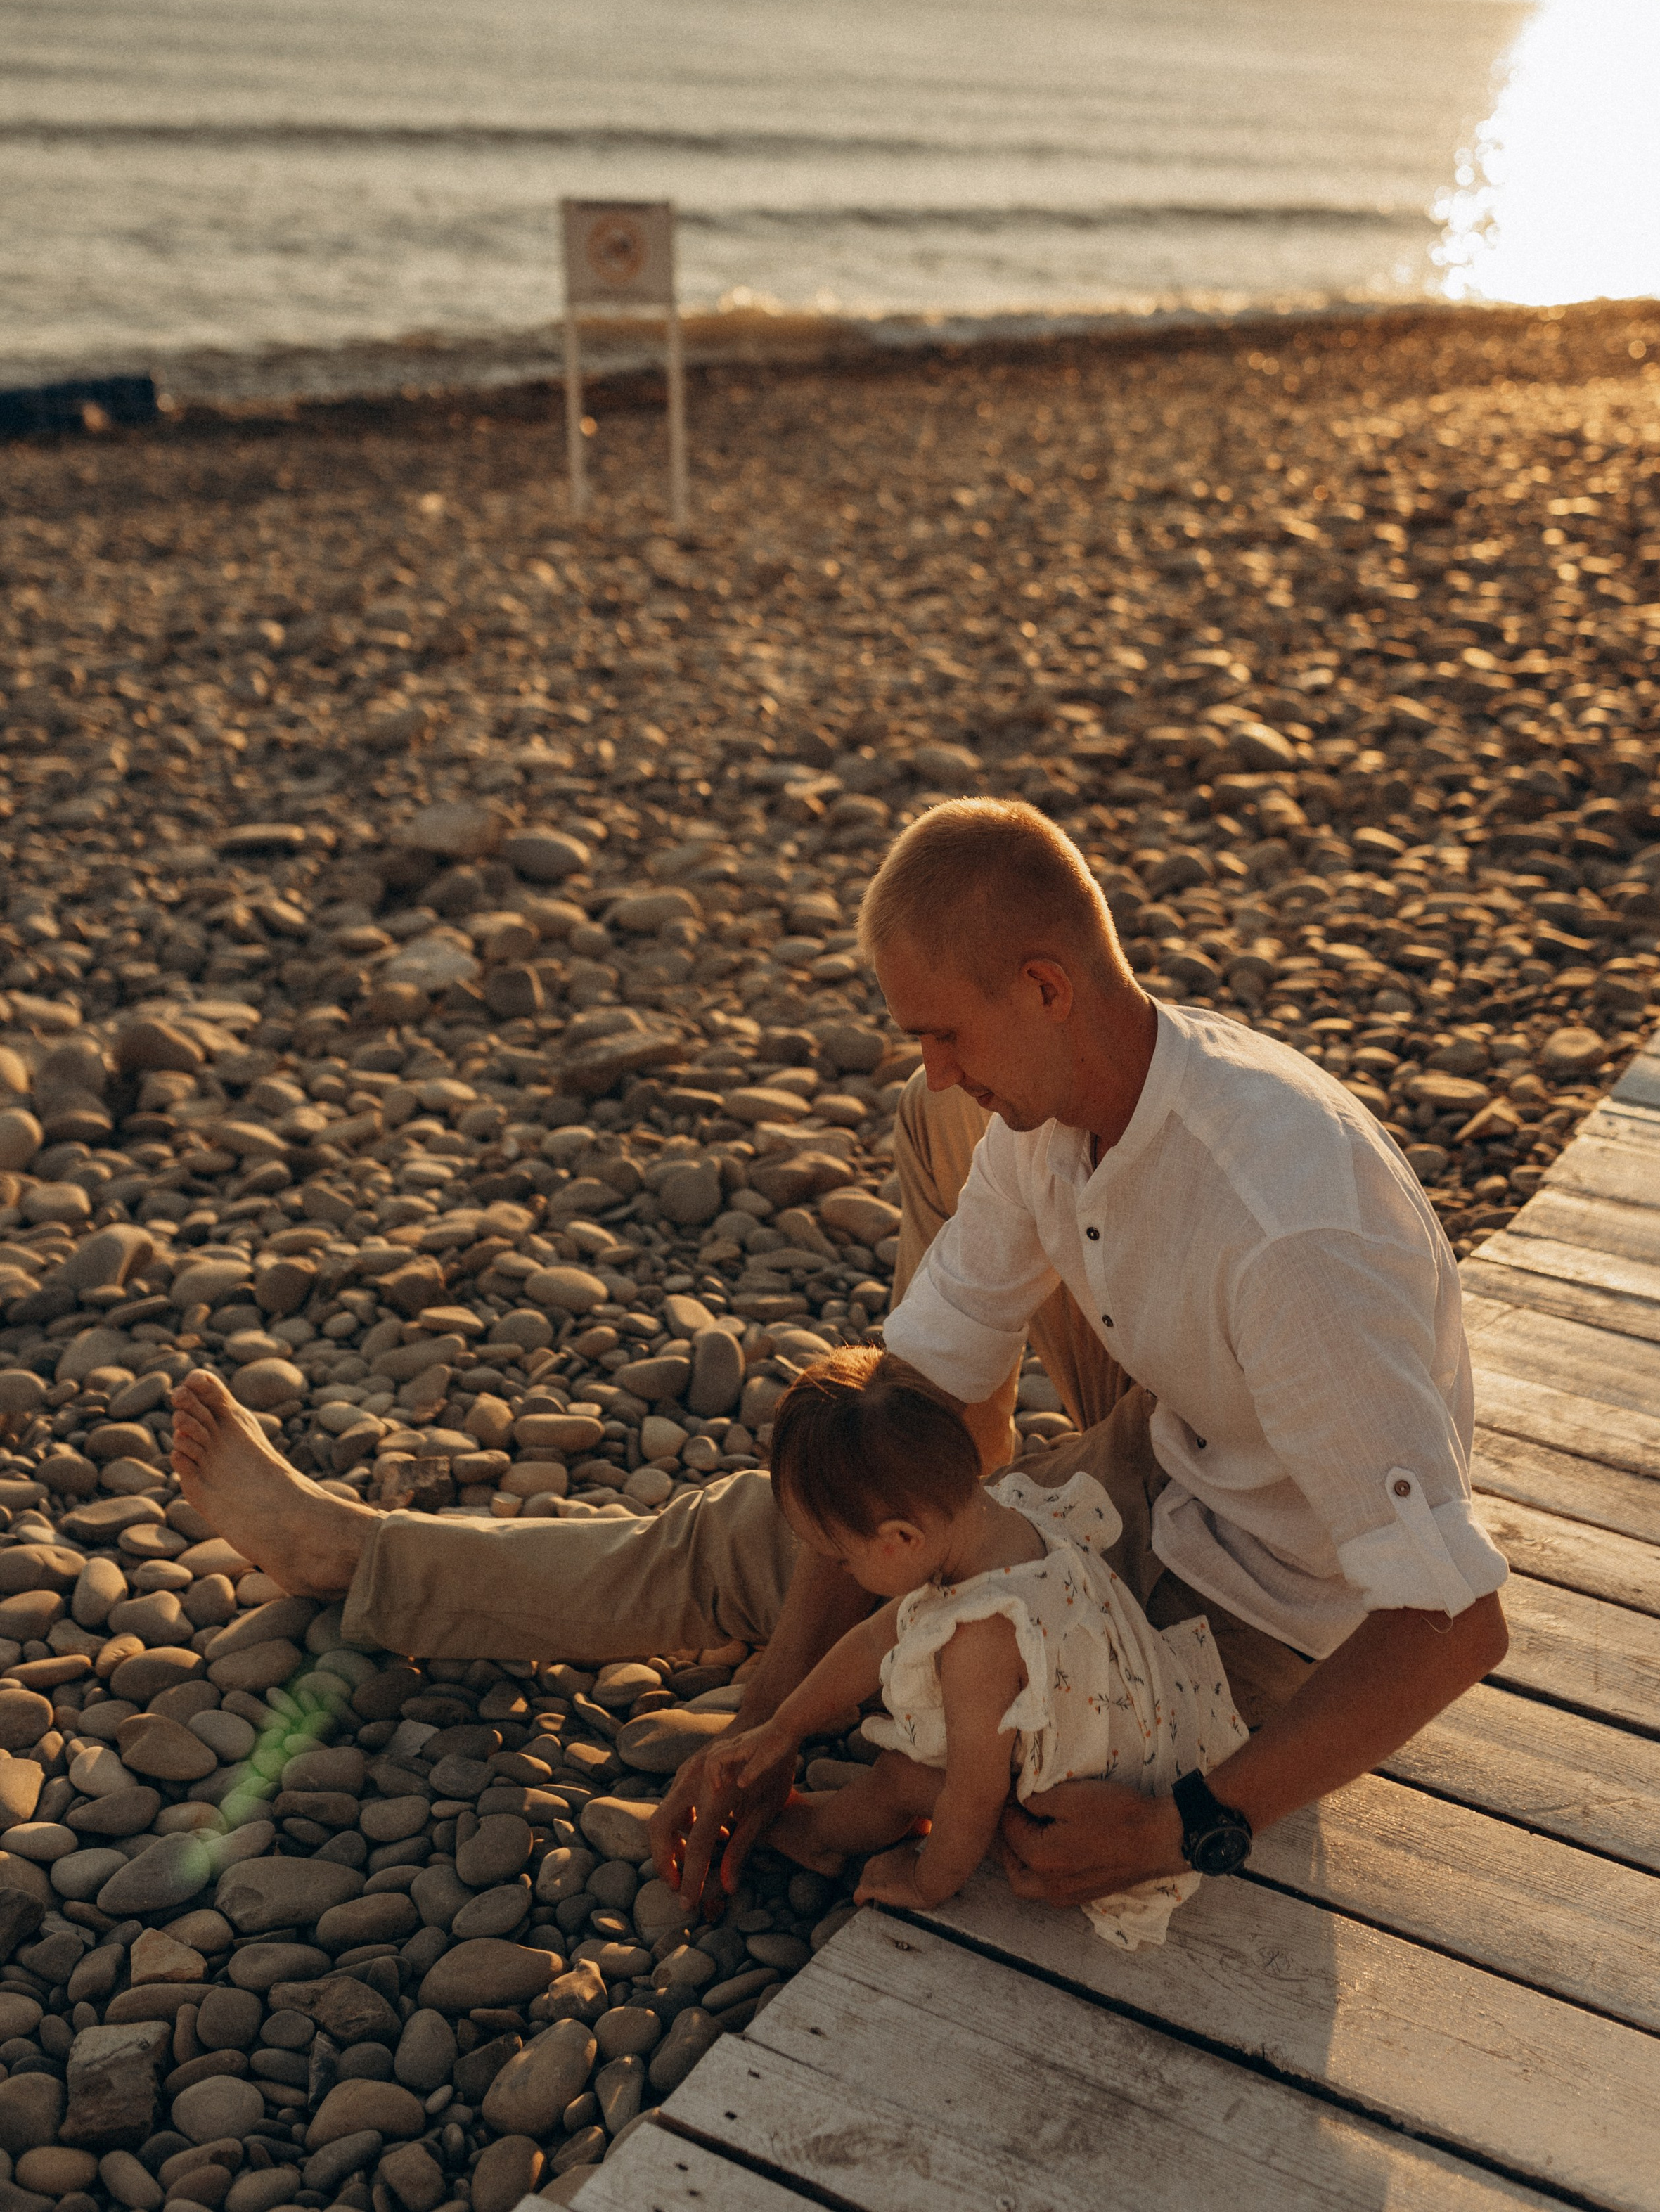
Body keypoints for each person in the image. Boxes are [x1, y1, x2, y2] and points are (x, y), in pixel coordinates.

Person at [172, 795, 1508, 1915]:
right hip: (1164, 1461)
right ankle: (362, 1555)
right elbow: (920, 1394)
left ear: (1045, 987)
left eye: (944, 1033)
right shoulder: (1050, 1118)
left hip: (1274, 1621)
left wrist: (1194, 1830)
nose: (930, 1072)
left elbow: (1452, 1623)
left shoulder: (1287, 1234)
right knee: (791, 1533)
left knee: (982, 1738)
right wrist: (775, 1714)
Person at [700, 1344, 1246, 1947]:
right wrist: (783, 1725)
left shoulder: (979, 1638)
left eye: (840, 1558)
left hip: (1079, 1814)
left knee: (900, 1777)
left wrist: (929, 1879)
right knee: (915, 1760)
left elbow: (974, 1791)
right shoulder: (1006, 1513)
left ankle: (823, 1836)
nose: (841, 1574)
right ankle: (833, 1826)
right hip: (1131, 1728)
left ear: (899, 1537)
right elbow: (876, 1638)